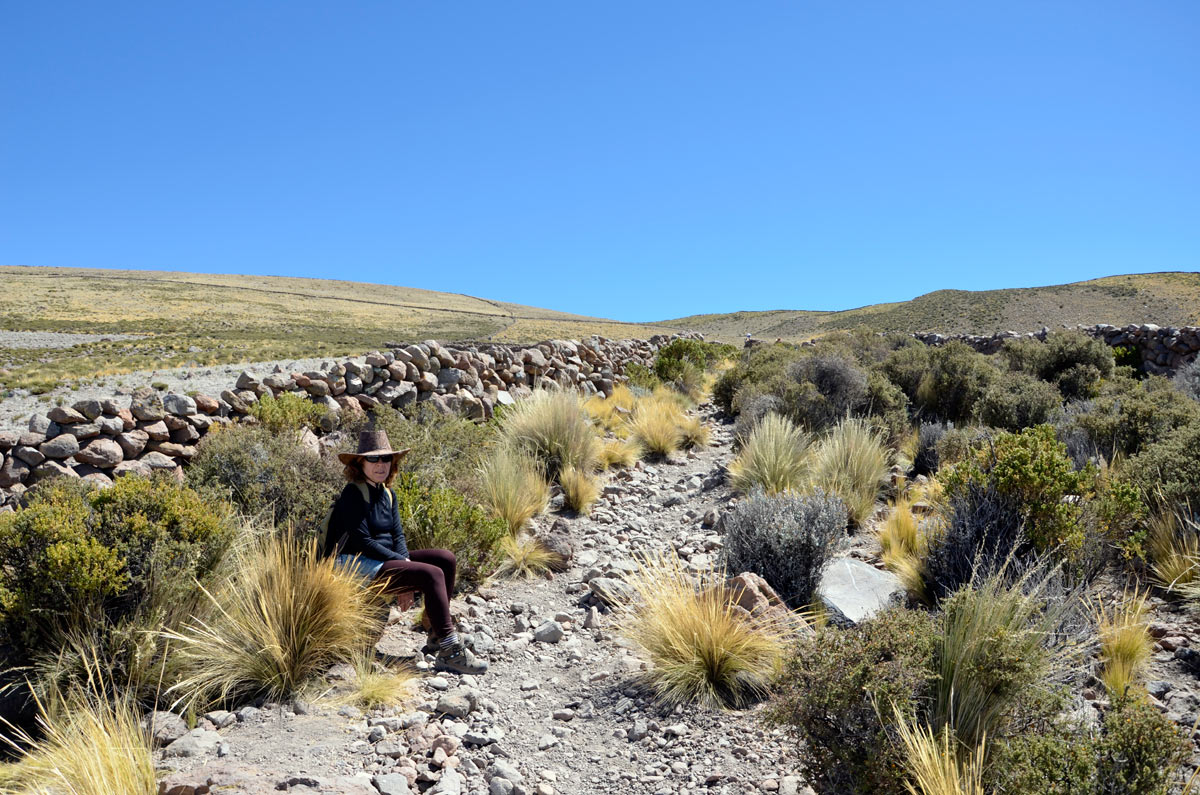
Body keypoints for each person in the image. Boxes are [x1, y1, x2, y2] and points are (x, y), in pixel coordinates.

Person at [330, 429, 488, 675]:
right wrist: (404, 568)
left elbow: (398, 536)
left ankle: (436, 634)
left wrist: (404, 563)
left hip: (382, 561)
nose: (380, 464)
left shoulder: (388, 494)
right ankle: (451, 651)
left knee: (444, 559)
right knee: (431, 574)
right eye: (373, 458)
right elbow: (362, 541)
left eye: (386, 458)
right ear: (360, 463)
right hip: (356, 564)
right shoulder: (352, 493)